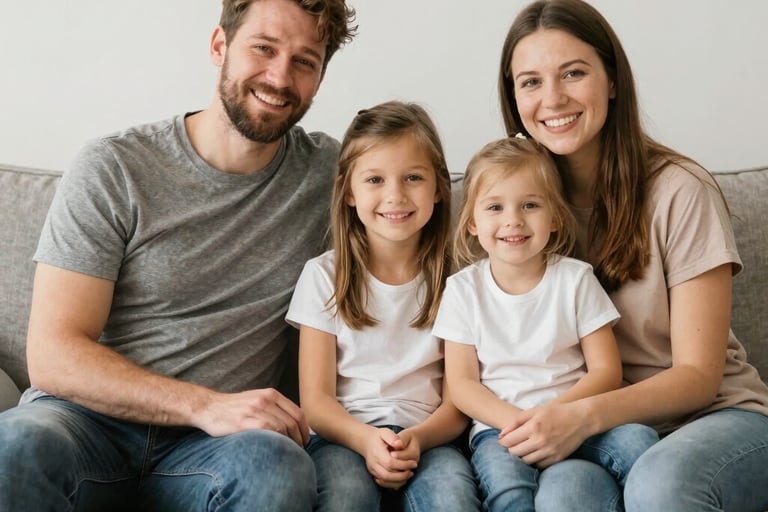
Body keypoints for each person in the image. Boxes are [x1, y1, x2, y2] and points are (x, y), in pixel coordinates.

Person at [0, 0, 356, 510]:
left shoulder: (331, 177)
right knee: (13, 446)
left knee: (276, 468)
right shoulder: (116, 166)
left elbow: (431, 190)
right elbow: (52, 355)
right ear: (219, 46)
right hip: (82, 424)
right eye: (264, 48)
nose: (280, 77)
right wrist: (204, 406)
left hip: (215, 451)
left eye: (305, 61)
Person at [495, 0, 768, 510]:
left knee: (660, 485)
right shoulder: (514, 211)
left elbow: (698, 377)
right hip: (599, 434)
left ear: (613, 80)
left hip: (715, 418)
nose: (552, 99)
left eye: (573, 73)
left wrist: (582, 416)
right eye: (530, 81)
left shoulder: (680, 191)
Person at [435, 136, 658, 511]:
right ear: (471, 222)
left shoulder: (575, 279)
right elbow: (461, 384)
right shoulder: (462, 290)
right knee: (509, 493)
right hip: (501, 430)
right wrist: (521, 424)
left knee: (639, 442)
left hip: (578, 417)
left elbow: (606, 370)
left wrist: (559, 416)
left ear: (555, 217)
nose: (513, 220)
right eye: (495, 207)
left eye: (530, 205)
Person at [286, 101, 480, 511]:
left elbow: (459, 399)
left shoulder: (461, 281)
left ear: (440, 188)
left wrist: (419, 439)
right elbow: (316, 401)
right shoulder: (324, 275)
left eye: (413, 177)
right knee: (344, 497)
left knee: (453, 499)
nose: (395, 195)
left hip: (430, 438)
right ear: (349, 191)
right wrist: (365, 439)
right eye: (375, 179)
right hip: (343, 438)